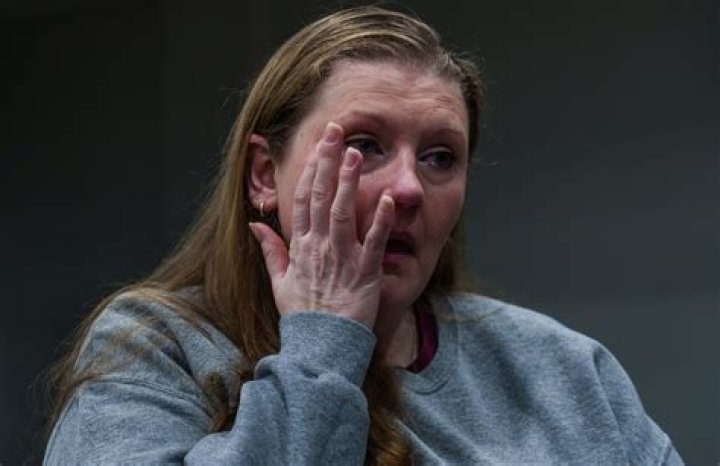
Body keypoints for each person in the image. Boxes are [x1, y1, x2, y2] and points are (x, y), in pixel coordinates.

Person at [43, 6, 683, 465]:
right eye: (365, 145)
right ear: (264, 174)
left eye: (439, 157)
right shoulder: (156, 349)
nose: (407, 188)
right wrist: (324, 343)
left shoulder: (563, 370)